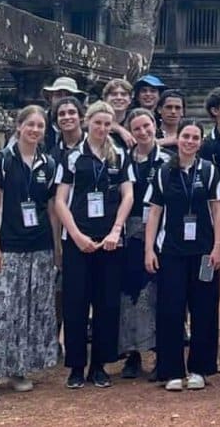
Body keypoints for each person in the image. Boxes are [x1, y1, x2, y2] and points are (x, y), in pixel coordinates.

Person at [0, 106, 61, 405]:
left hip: (39, 246)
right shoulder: (2, 162)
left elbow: (52, 209)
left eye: (40, 125)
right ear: (19, 126)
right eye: (30, 124)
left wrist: (57, 249)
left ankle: (17, 368)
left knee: (30, 311)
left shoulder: (48, 164)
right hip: (9, 246)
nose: (35, 130)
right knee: (0, 311)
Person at [54, 101, 132, 390]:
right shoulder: (73, 156)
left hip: (109, 241)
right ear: (87, 122)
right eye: (97, 122)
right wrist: (75, 235)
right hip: (78, 239)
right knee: (76, 302)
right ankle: (76, 366)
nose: (102, 128)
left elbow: (128, 195)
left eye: (107, 124)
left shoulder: (119, 155)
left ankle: (99, 365)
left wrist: (116, 231)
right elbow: (60, 201)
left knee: (106, 303)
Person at [145, 120, 220, 392]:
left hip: (203, 252)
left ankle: (200, 369)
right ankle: (171, 371)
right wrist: (149, 249)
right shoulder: (163, 171)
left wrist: (218, 247)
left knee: (204, 308)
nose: (190, 141)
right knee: (170, 310)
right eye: (186, 136)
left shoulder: (209, 170)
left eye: (195, 137)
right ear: (177, 139)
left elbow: (218, 210)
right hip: (171, 251)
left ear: (201, 142)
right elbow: (154, 212)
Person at [118, 108, 169, 381]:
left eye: (146, 126)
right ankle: (132, 353)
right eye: (136, 128)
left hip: (161, 231)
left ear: (154, 126)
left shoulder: (167, 160)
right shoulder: (122, 160)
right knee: (129, 292)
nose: (143, 132)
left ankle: (161, 352)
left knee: (159, 292)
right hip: (128, 232)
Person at [41, 76, 87, 153]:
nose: (63, 99)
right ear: (50, 97)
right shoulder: (40, 121)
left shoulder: (87, 127)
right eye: (58, 95)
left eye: (68, 95)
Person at [50, 96, 85, 166]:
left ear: (81, 117)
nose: (67, 117)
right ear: (56, 121)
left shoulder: (93, 145)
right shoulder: (53, 154)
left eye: (72, 112)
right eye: (62, 114)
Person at [103, 78, 135, 149]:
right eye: (114, 94)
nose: (119, 97)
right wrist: (120, 129)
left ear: (130, 100)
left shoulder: (135, 121)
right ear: (105, 98)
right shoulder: (96, 117)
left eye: (123, 94)